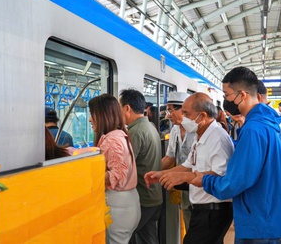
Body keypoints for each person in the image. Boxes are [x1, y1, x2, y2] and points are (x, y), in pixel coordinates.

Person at [192, 67, 281, 243]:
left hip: (259, 222)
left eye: (227, 95)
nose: (226, 100)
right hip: (271, 215)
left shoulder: (253, 129)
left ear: (241, 95)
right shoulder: (268, 123)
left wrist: (204, 181)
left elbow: (237, 181)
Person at [145, 92, 234, 244]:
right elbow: (188, 165)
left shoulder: (217, 138)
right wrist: (161, 174)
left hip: (214, 210)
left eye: (186, 113)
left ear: (202, 116)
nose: (183, 117)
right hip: (202, 209)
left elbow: (221, 176)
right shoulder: (200, 135)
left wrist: (185, 178)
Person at [88, 94, 140, 244]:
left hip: (118, 206)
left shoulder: (112, 140)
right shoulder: (121, 135)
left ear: (103, 115)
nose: (90, 119)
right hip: (129, 202)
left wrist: (87, 172)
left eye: (93, 114)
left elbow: (118, 176)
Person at [119, 89, 162, 244]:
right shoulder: (150, 127)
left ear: (127, 108)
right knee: (148, 238)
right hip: (153, 196)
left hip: (142, 197)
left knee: (124, 236)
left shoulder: (135, 132)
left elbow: (124, 167)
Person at [161, 92, 195, 230]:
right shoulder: (174, 131)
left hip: (199, 185)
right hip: (184, 186)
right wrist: (154, 173)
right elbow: (169, 158)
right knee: (188, 221)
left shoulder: (196, 130)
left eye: (170, 110)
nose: (168, 115)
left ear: (182, 109)